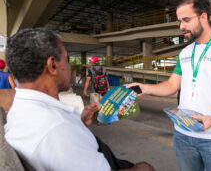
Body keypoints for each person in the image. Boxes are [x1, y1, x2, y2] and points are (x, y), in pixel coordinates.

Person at [127, 0, 211, 171]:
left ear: (203, 17)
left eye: (186, 20)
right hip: (182, 136)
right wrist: (144, 88)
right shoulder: (184, 53)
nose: (181, 26)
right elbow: (171, 85)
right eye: (179, 21)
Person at [4, 28, 154, 171]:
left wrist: (79, 122)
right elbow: (58, 135)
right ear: (53, 65)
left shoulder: (20, 109)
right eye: (66, 59)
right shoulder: (57, 129)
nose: (69, 66)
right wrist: (144, 168)